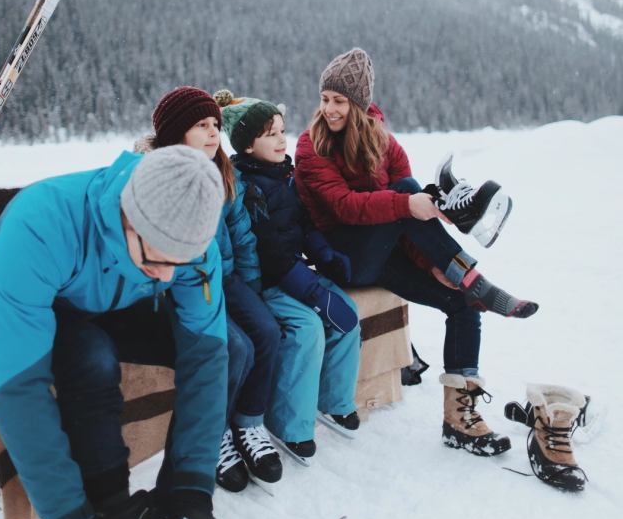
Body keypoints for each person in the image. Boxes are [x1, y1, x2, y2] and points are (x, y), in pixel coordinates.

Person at [0, 145, 227, 519]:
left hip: (108, 295)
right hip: (0, 302)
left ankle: (170, 514)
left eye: (183, 261)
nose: (171, 276)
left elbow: (208, 357)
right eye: (158, 257)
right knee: (90, 356)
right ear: (127, 216)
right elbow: (16, 386)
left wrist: (194, 488)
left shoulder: (185, 239)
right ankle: (111, 511)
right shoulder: (42, 223)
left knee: (231, 344)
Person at [295, 47, 538, 457]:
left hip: (387, 255)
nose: (329, 109)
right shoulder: (310, 146)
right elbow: (346, 208)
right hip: (345, 257)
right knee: (409, 192)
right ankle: (467, 247)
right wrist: (410, 205)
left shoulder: (384, 144)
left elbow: (411, 223)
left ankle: (460, 420)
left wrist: (432, 263)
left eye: (339, 101)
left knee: (462, 303)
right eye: (325, 99)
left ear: (359, 104)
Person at [136, 86, 283, 493]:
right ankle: (214, 433)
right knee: (236, 347)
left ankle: (248, 422)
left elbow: (241, 234)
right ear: (175, 133)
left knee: (268, 332)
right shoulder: (153, 174)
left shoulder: (222, 171)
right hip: (178, 287)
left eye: (215, 124)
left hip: (227, 278)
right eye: (201, 126)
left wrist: (251, 288)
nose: (213, 132)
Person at [216, 90, 362, 465]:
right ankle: (287, 423)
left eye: (282, 130)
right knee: (308, 329)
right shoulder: (246, 189)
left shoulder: (287, 177)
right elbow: (268, 252)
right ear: (247, 146)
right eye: (270, 134)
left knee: (347, 314)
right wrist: (313, 291)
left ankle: (333, 400)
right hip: (267, 283)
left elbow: (303, 226)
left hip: (296, 273)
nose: (282, 139)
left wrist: (325, 255)